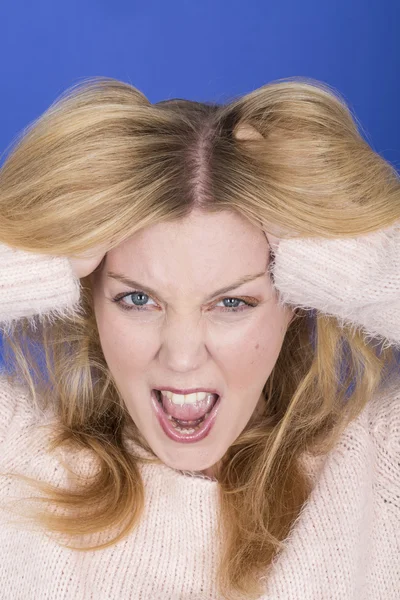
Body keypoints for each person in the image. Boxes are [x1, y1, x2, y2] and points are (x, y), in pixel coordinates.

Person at [0, 75, 399, 600]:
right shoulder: (17, 464)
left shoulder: (377, 471)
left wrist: (357, 265)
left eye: (232, 302)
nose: (183, 357)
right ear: (87, 296)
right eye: (138, 300)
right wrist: (46, 241)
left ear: (298, 297)